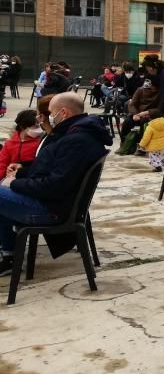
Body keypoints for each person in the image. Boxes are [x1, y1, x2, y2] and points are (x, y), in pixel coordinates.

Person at [0, 92, 111, 274]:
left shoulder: (76, 140)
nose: (48, 117)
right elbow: (51, 168)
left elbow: (53, 185)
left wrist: (13, 184)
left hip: (53, 211)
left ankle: (10, 255)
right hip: (55, 203)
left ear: (64, 112)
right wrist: (21, 173)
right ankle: (9, 253)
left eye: (51, 112)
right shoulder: (78, 133)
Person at [0, 110, 42, 177]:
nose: (39, 129)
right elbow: (2, 164)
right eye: (35, 126)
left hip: (31, 177)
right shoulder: (10, 143)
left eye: (39, 125)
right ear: (23, 127)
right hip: (11, 176)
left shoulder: (40, 143)